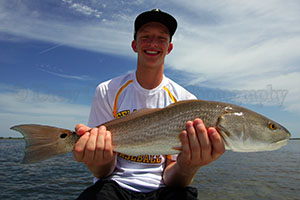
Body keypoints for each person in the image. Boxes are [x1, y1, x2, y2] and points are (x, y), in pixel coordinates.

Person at [74, 9, 225, 200]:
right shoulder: (107, 90)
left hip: (164, 188)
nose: (153, 43)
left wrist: (190, 165)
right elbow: (104, 172)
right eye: (145, 37)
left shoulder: (187, 101)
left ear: (169, 48)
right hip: (113, 184)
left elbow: (172, 177)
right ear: (134, 45)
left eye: (161, 38)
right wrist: (96, 160)